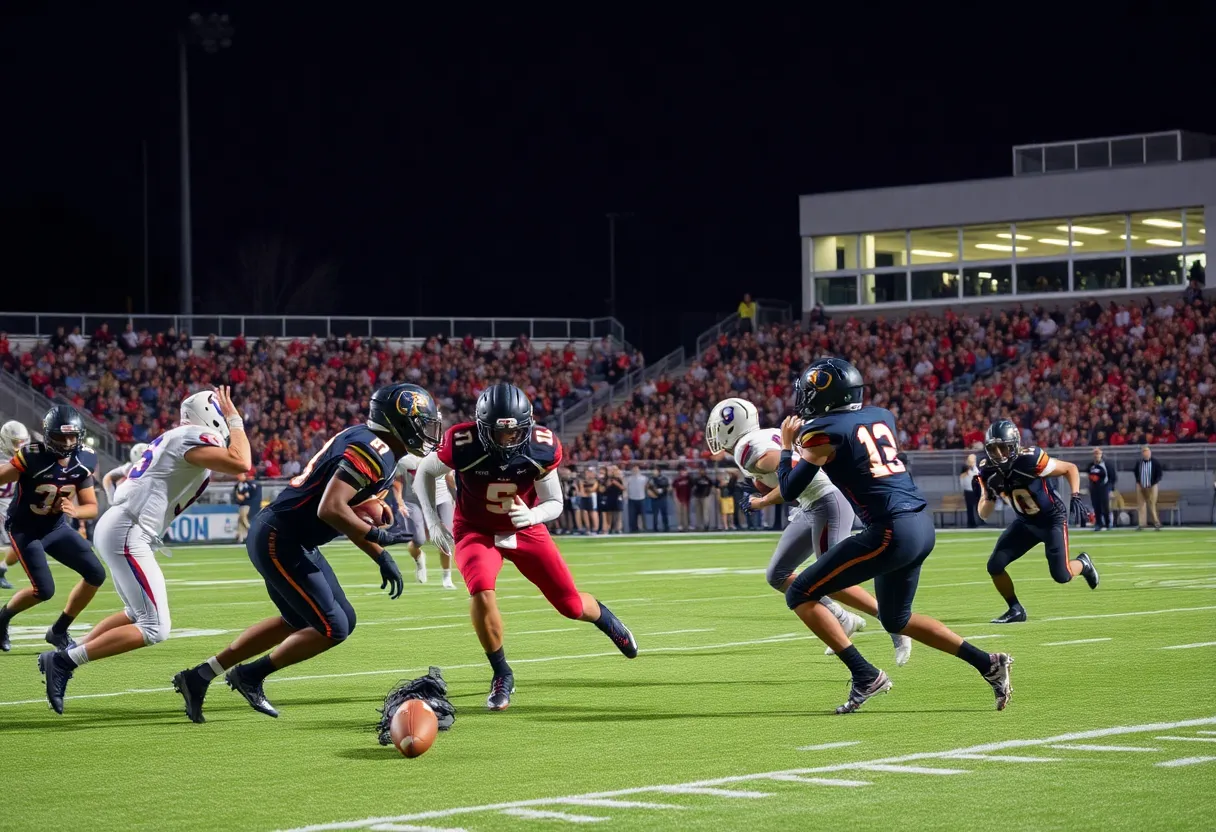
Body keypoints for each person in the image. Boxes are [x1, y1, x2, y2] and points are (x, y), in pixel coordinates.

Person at [171, 383, 438, 722]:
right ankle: (249, 676)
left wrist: (379, 554)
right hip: (280, 538)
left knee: (309, 620)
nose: (427, 431)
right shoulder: (374, 451)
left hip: (291, 537)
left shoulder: (372, 443)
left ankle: (199, 677)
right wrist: (378, 537)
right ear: (399, 422)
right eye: (421, 423)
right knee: (333, 627)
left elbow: (343, 508)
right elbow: (331, 508)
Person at [780, 358, 1013, 714]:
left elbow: (790, 488)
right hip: (920, 524)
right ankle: (988, 664)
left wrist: (786, 448)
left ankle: (865, 675)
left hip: (890, 530)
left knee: (799, 591)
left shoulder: (822, 431)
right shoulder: (881, 415)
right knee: (895, 618)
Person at [413, 382, 638, 711]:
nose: (508, 440)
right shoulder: (462, 442)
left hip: (525, 527)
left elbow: (555, 502)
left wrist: (532, 515)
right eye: (500, 433)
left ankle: (606, 620)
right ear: (482, 428)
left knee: (571, 605)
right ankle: (502, 672)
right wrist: (433, 521)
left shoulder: (541, 446)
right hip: (476, 528)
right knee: (481, 592)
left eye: (514, 433)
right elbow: (424, 472)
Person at [37, 388, 253, 714]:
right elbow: (241, 462)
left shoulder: (175, 437)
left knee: (135, 615)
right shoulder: (193, 437)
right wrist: (235, 419)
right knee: (155, 627)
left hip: (124, 525)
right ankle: (65, 661)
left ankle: (70, 649)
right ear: (211, 417)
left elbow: (125, 477)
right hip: (129, 530)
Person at [706, 396, 911, 666]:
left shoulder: (748, 448)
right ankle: (842, 618)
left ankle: (894, 625)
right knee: (778, 574)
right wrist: (763, 487)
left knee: (829, 577)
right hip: (811, 505)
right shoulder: (761, 437)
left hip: (826, 500)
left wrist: (762, 501)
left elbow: (796, 475)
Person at [0, 406, 103, 654]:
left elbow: (91, 507)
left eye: (72, 436)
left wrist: (75, 511)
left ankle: (58, 630)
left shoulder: (84, 460)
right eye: (61, 436)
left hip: (56, 527)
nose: (67, 442)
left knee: (96, 574)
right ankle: (2, 619)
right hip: (25, 528)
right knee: (44, 591)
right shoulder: (32, 456)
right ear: (47, 435)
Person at [975, 420, 1100, 625]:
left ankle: (1084, 563)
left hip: (1052, 520)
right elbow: (984, 513)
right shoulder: (988, 470)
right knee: (994, 565)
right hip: (1025, 522)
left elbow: (1070, 468)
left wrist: (1075, 495)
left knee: (1062, 575)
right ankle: (1015, 609)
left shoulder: (1030, 459)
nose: (998, 453)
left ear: (1014, 444)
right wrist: (989, 495)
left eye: (1003, 447)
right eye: (993, 448)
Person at [394, 453, 456, 587]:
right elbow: (398, 480)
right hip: (415, 501)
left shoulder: (442, 454)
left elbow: (449, 477)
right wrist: (399, 502)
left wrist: (458, 499)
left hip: (441, 498)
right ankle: (418, 558)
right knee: (418, 540)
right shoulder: (406, 459)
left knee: (446, 540)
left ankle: (447, 578)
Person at [0, 420, 30, 590]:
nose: (19, 446)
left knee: (19, 544)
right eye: (15, 442)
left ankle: (1, 569)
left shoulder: (26, 455)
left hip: (9, 503)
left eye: (22, 442)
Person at [1134, 446, 1163, 530]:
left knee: (1152, 503)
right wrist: (1138, 482)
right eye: (1144, 452)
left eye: (1147, 451)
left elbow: (1159, 474)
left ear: (1150, 453)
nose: (1145, 453)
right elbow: (1135, 472)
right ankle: (1141, 523)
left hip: (1152, 485)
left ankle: (1156, 522)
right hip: (1141, 485)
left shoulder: (1155, 462)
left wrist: (1154, 482)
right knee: (1141, 504)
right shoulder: (1139, 462)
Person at [1087, 448, 1115, 532]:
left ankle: (1108, 523)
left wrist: (1110, 489)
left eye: (1098, 453)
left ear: (1101, 454)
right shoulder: (1091, 465)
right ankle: (1098, 524)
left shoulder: (1107, 465)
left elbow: (1112, 477)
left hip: (1104, 488)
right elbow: (1089, 476)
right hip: (1094, 489)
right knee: (1096, 506)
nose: (1096, 455)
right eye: (1095, 454)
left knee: (1105, 506)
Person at [600, 466, 624, 534]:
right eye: (610, 470)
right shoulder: (606, 479)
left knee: (618, 514)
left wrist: (616, 483)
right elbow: (602, 490)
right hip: (609, 497)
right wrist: (609, 483)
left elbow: (623, 488)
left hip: (617, 497)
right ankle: (609, 528)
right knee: (609, 514)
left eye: (613, 470)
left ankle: (618, 529)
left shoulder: (619, 479)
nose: (612, 471)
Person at [233, 470, 255, 543]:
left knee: (243, 517)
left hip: (246, 504)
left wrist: (242, 496)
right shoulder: (238, 484)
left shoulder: (247, 484)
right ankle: (240, 537)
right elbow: (235, 494)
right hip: (241, 504)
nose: (239, 477)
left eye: (241, 475)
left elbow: (248, 494)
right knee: (240, 520)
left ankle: (253, 531)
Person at [626, 464, 648, 533]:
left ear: (639, 470)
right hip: (632, 499)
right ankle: (633, 529)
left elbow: (646, 487)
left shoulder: (644, 478)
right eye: (634, 469)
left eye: (636, 469)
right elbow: (626, 488)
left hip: (642, 498)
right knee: (632, 516)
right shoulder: (628, 478)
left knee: (643, 515)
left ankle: (644, 528)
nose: (635, 470)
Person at [961, 454, 981, 528]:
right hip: (968, 490)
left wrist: (974, 466)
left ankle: (979, 521)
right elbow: (963, 479)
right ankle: (971, 523)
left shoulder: (976, 468)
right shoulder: (965, 468)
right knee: (970, 508)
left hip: (975, 490)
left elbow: (978, 475)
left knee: (977, 507)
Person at [647, 467, 670, 532]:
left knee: (664, 513)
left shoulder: (664, 478)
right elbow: (648, 488)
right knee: (655, 514)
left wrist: (661, 490)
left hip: (663, 498)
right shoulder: (651, 479)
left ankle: (666, 527)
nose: (654, 472)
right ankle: (655, 528)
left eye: (655, 471)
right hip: (654, 499)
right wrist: (651, 494)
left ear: (659, 471)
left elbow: (667, 487)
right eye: (653, 471)